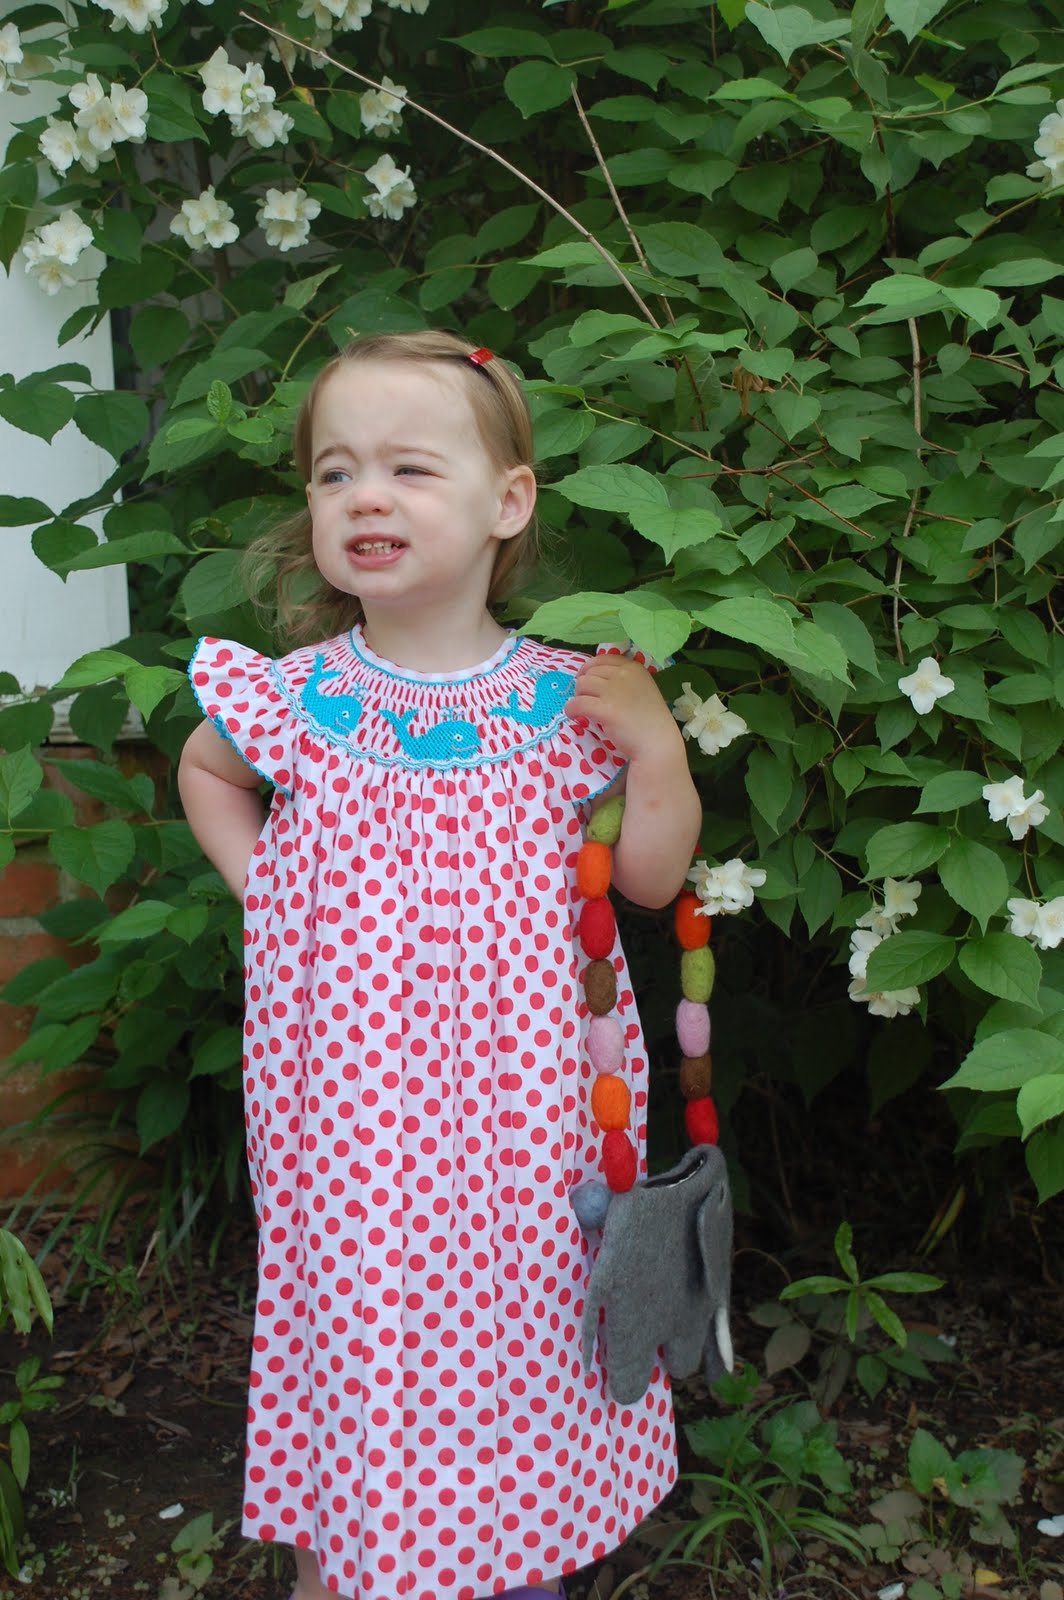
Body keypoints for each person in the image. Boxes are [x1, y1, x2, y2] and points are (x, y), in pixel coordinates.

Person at [177, 330, 702, 1600]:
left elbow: (647, 879)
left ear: (505, 502)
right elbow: (205, 768)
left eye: (409, 468)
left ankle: (513, 1553)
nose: (365, 496)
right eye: (334, 472)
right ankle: (353, 1555)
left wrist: (658, 751)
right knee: (362, 1317)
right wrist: (274, 897)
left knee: (528, 1324)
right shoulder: (299, 698)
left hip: (530, 1116)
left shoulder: (569, 698)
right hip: (350, 1118)